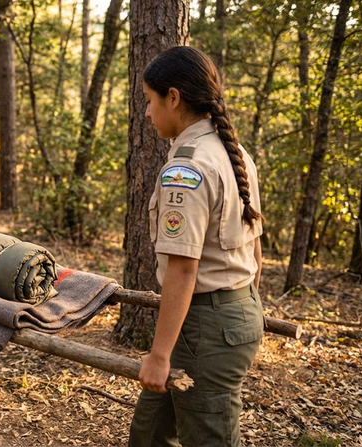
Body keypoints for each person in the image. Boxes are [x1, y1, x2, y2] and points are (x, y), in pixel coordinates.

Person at [128, 46, 265, 446]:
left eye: (150, 101)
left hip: (205, 326)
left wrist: (158, 354)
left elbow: (184, 269)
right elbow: (255, 244)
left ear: (174, 97)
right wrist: (247, 303)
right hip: (228, 312)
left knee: (209, 437)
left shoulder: (187, 169)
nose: (148, 113)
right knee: (149, 433)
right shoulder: (234, 151)